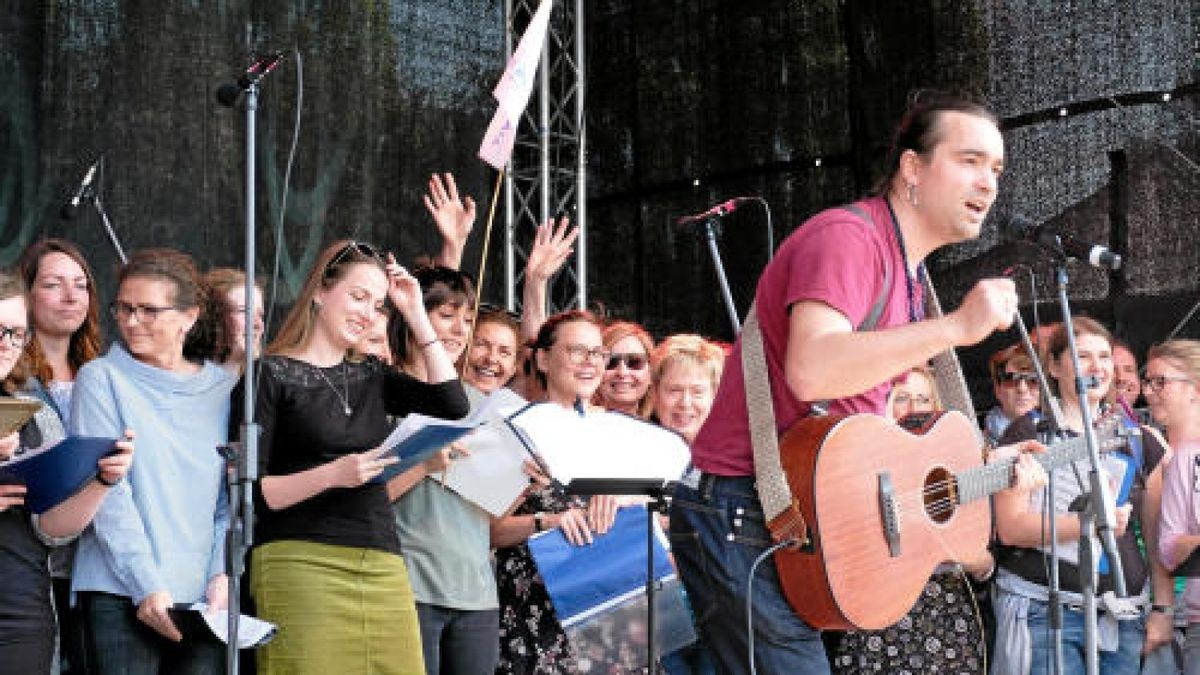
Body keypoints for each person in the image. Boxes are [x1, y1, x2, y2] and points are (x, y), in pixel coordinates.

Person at [670, 93, 1027, 674]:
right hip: (750, 510)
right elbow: (815, 370)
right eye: (970, 160)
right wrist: (958, 328)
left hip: (811, 514)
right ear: (912, 167)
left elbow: (854, 415)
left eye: (996, 169)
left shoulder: (910, 273)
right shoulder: (850, 238)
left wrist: (989, 462)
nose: (988, 183)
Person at [234, 240, 468, 675]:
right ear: (321, 291)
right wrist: (332, 475)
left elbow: (453, 403)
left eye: (378, 305)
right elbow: (254, 493)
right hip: (298, 558)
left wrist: (416, 312)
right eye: (358, 296)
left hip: (381, 560)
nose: (367, 313)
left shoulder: (372, 375)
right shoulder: (270, 375)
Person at [70, 249, 237, 675]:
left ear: (189, 317)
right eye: (124, 307)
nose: (131, 321)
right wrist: (146, 584)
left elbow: (226, 500)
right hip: (117, 592)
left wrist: (222, 575)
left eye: (148, 310)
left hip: (203, 600)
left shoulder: (224, 388)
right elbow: (109, 495)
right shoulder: (100, 378)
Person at [992, 317, 1174, 675]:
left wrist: (1163, 609)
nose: (1097, 367)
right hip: (1046, 610)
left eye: (1104, 356)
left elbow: (1157, 538)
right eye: (1082, 356)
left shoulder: (1138, 438)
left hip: (1124, 614)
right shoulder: (1027, 433)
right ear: (1055, 367)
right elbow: (1010, 528)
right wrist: (1088, 524)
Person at [0, 268, 133, 674]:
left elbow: (51, 530)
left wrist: (101, 481)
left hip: (20, 615)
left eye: (15, 333)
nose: (5, 345)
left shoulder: (33, 410)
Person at [389, 265, 506, 675]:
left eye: (468, 319)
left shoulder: (482, 403)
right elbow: (362, 494)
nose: (459, 330)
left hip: (476, 592)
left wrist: (522, 480)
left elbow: (493, 514)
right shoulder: (384, 390)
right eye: (446, 315)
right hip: (410, 586)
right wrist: (423, 463)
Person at [491, 310, 620, 674]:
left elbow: (665, 508)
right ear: (543, 359)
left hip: (613, 614)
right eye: (577, 351)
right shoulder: (514, 431)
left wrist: (625, 498)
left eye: (597, 353)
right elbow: (488, 531)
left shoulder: (623, 433)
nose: (589, 362)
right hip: (536, 619)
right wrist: (549, 520)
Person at [16, 237, 105, 675]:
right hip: (40, 568)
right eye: (54, 284)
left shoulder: (107, 375)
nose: (72, 296)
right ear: (26, 296)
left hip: (101, 567)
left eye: (82, 284)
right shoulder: (13, 384)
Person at [1147, 340, 1200, 674]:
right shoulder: (1183, 459)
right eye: (1148, 382)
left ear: (1195, 388)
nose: (1149, 392)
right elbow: (1167, 549)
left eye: (1160, 382)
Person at [649, 334, 725, 445]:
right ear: (655, 393)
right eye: (675, 390)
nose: (685, 403)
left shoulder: (735, 457)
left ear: (714, 395)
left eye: (697, 392)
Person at [202, 267, 265, 375]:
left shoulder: (264, 383)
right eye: (244, 311)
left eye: (261, 314)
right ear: (213, 317)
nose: (257, 324)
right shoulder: (183, 382)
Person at [982, 344, 1042, 445]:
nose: (1022, 389)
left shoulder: (1059, 431)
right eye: (1011, 379)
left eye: (1033, 379)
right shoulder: (979, 444)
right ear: (997, 388)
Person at [594, 321, 655, 418]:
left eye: (635, 362)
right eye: (611, 362)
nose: (622, 372)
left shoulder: (664, 430)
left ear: (651, 373)